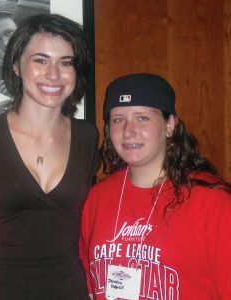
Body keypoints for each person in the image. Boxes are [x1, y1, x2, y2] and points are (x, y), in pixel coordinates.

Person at [0, 14, 100, 299]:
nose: (54, 74)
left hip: (69, 289)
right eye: (40, 60)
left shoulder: (87, 137)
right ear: (17, 66)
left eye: (66, 62)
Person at [79, 73, 231, 299]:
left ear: (170, 125)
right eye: (118, 119)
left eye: (142, 118)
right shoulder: (96, 198)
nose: (128, 131)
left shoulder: (213, 202)